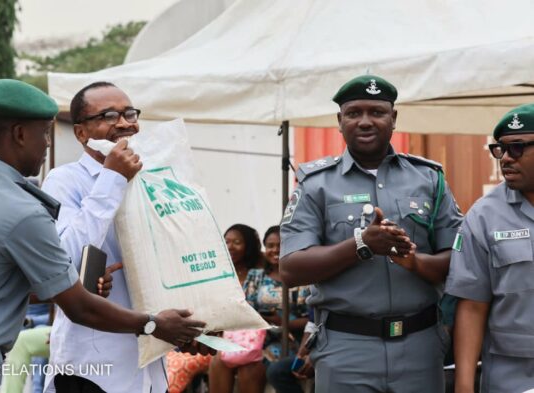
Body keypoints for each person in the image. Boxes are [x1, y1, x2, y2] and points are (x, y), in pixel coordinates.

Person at [0, 79, 207, 393]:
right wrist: (152, 324)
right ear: (20, 134)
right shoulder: (25, 205)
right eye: (45, 133)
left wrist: (81, 280)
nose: (49, 144)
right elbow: (78, 304)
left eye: (130, 114)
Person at [279, 74, 463, 393]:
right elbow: (290, 268)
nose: (365, 122)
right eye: (354, 113)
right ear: (340, 121)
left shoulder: (429, 179)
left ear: (393, 118)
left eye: (377, 112)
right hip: (346, 349)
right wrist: (362, 244)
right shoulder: (315, 184)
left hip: (419, 347)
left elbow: (461, 258)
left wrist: (414, 262)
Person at [42, 81, 213, 393]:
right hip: (92, 368)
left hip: (150, 367)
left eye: (129, 114)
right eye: (108, 115)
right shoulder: (64, 181)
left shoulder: (154, 181)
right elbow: (62, 258)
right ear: (81, 133)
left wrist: (191, 324)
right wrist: (112, 178)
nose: (123, 123)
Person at [446, 103, 534, 393]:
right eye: (500, 150)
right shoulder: (483, 217)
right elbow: (472, 306)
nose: (506, 159)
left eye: (518, 148)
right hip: (511, 377)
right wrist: (464, 385)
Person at [208, 224, 276, 393]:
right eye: (227, 242)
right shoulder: (217, 271)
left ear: (250, 246)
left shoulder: (260, 273)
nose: (230, 247)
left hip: (258, 337)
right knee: (219, 360)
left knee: (248, 365)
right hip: (227, 336)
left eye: (237, 242)